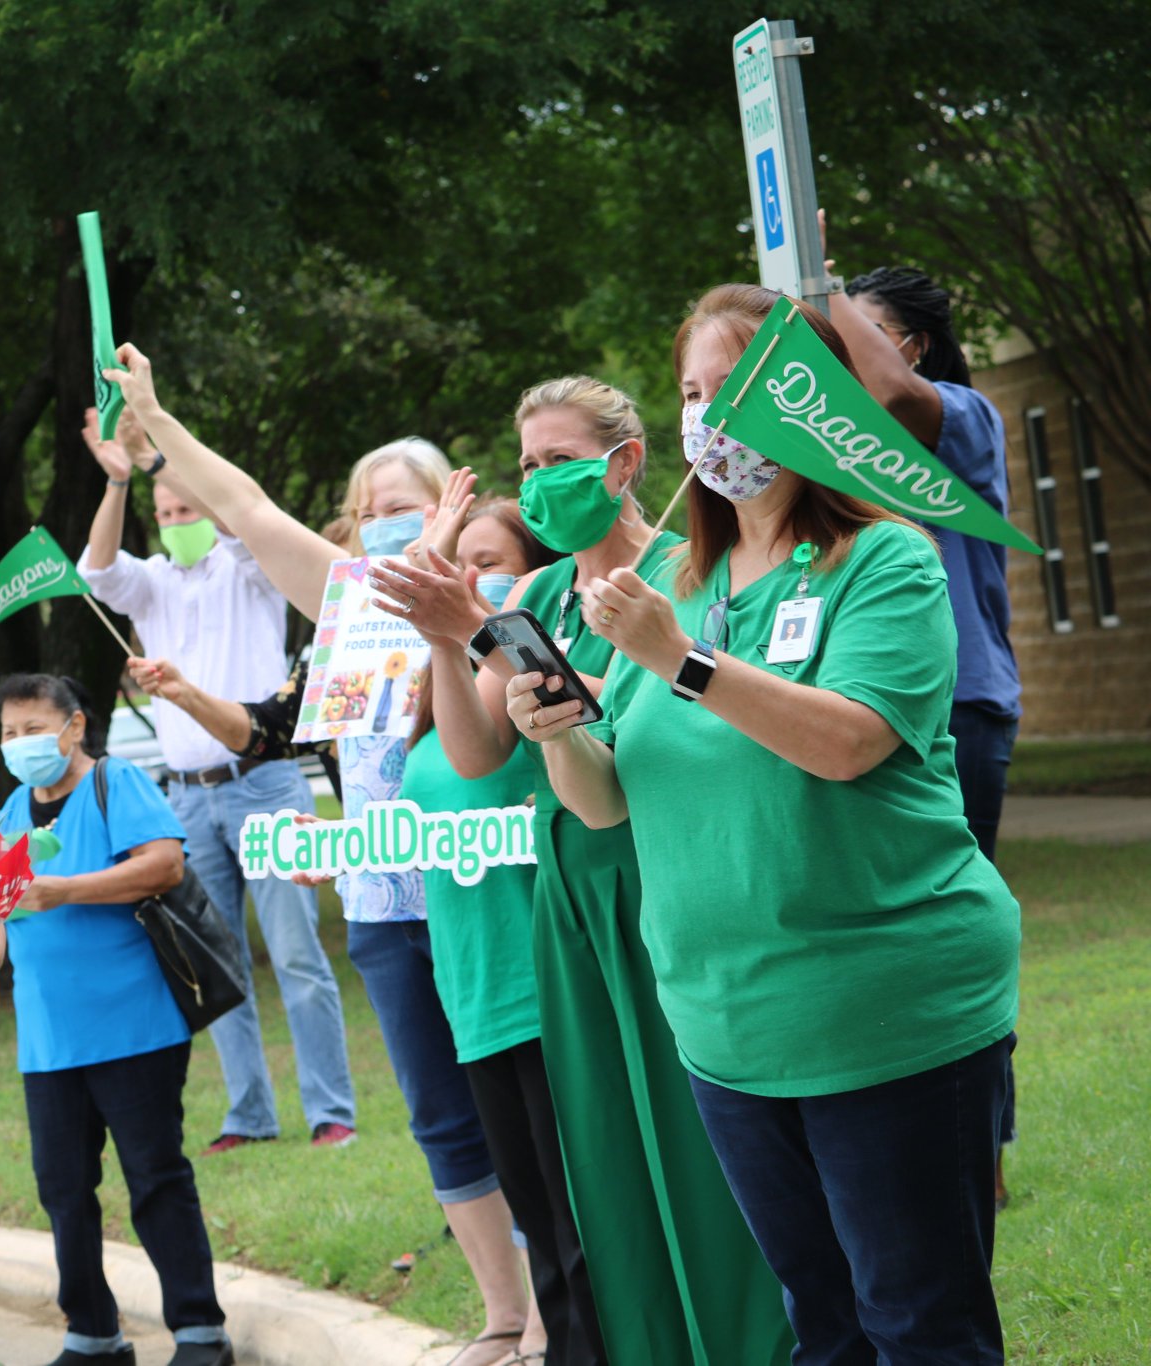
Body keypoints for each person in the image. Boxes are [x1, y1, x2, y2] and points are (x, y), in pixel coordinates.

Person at [529, 283, 1021, 1364]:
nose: (709, 418)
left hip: (881, 1012)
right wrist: (557, 730)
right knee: (822, 1327)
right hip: (725, 1028)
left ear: (805, 402)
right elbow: (607, 798)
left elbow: (844, 742)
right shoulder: (673, 576)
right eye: (692, 394)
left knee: (916, 1322)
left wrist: (680, 660)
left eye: (736, 388)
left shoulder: (882, 559)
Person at [96, 385, 544, 1366]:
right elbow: (247, 522)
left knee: (520, 1106)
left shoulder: (501, 600)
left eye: (409, 501)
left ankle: (555, 1314)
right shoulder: (343, 614)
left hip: (490, 899)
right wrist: (158, 425)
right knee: (437, 1113)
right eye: (371, 504)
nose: (388, 519)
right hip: (385, 905)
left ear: (452, 505)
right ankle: (501, 1317)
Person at [370, 376, 792, 1365]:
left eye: (557, 460)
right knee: (603, 1146)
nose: (538, 480)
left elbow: (687, 710)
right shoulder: (536, 593)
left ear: (623, 462)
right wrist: (451, 632)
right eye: (526, 464)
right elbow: (476, 754)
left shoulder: (695, 572)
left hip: (669, 871)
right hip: (571, 887)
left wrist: (536, 663)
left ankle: (749, 1338)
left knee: (700, 1131)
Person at [78, 408, 357, 1155]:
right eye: (164, 515)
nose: (175, 520)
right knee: (215, 960)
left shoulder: (248, 571)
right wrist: (118, 481)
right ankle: (249, 1115)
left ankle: (332, 1110)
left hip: (263, 783)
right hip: (186, 796)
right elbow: (96, 571)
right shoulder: (153, 584)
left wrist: (158, 455)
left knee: (297, 954)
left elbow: (243, 522)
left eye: (184, 509)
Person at [832, 258, 1024, 1208]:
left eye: (850, 329)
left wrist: (810, 281)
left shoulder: (963, 415)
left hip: (959, 705)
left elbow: (896, 397)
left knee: (947, 923)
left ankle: (981, 1148)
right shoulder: (829, 455)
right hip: (859, 711)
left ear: (909, 341)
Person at [0, 672, 232, 1366]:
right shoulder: (10, 808)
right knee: (63, 1188)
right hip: (47, 1037)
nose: (20, 743)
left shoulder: (114, 783)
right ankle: (93, 1334)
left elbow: (162, 866)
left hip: (134, 1026)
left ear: (75, 727)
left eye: (33, 728)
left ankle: (199, 1332)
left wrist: (64, 890)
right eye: (9, 732)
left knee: (155, 1175)